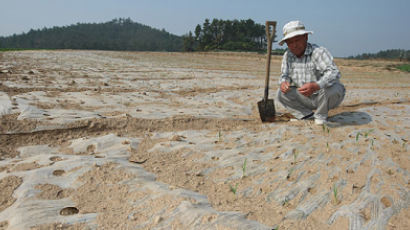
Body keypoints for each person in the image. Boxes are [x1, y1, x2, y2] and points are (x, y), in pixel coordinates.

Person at [276, 20, 345, 125]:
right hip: (305, 98)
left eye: (297, 40)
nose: (294, 45)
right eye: (290, 42)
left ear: (306, 37)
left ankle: (321, 116)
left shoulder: (318, 52)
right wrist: (284, 82)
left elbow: (334, 73)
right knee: (281, 94)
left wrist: (317, 85)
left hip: (324, 97)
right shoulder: (287, 55)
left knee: (333, 88)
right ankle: (306, 115)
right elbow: (284, 75)